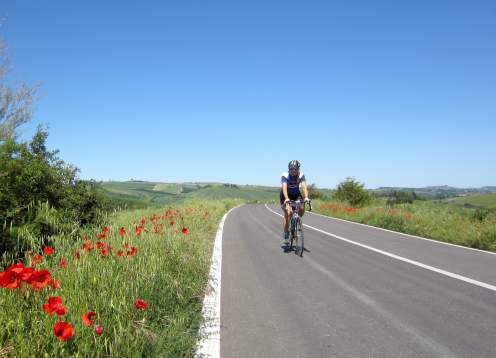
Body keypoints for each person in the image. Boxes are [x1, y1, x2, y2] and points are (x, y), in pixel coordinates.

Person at [280, 160, 310, 244]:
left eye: (295, 169)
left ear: (298, 169)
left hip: (296, 194)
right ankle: (286, 233)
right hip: (286, 195)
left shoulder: (301, 175)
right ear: (289, 169)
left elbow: (304, 187)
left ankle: (297, 221)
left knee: (302, 207)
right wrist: (286, 198)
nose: (293, 171)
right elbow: (284, 188)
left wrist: (306, 197)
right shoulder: (285, 176)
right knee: (288, 213)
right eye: (291, 169)